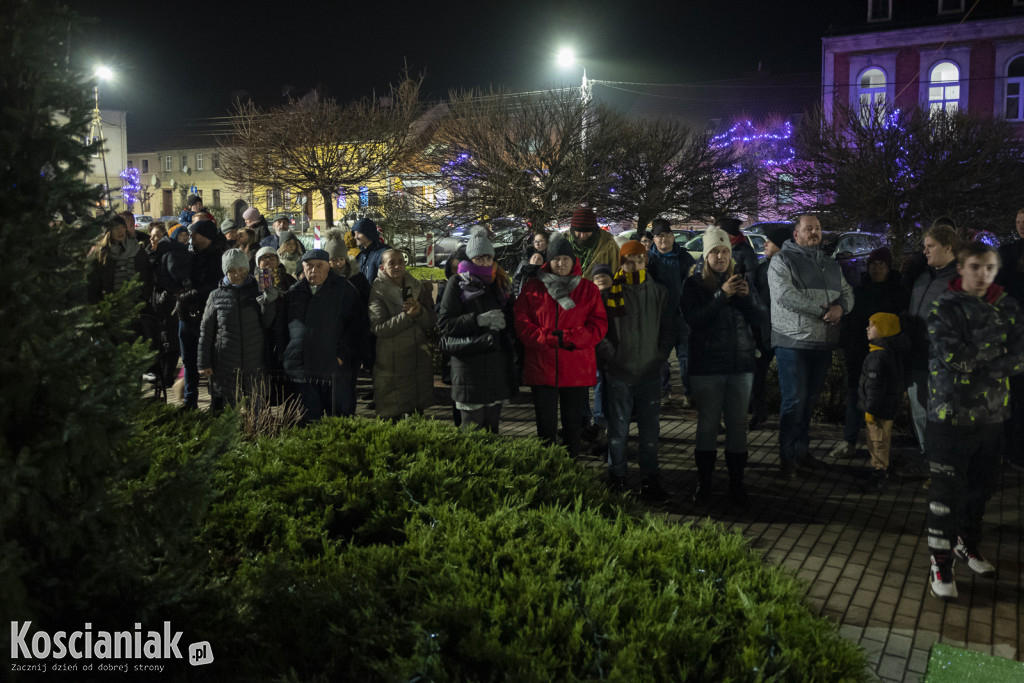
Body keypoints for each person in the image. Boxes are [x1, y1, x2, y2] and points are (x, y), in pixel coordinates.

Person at [924, 242, 1024, 601]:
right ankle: (940, 562)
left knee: (980, 491)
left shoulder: (1008, 306)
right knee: (944, 497)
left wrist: (984, 356)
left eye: (990, 268)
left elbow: (1020, 355)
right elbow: (954, 357)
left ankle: (968, 545)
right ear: (962, 268)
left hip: (992, 417)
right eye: (976, 267)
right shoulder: (944, 308)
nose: (983, 275)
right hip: (950, 418)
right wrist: (997, 353)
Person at [682, 227, 764, 506]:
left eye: (725, 251)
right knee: (707, 426)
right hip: (707, 366)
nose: (720, 256)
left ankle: (736, 484)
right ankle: (704, 484)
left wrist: (746, 297)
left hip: (740, 365)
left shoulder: (742, 280)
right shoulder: (693, 285)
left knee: (738, 426)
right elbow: (695, 319)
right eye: (715, 251)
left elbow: (760, 317)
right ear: (706, 256)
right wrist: (722, 296)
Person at [768, 214, 854, 478]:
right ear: (796, 234)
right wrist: (823, 312)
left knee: (809, 402)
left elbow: (848, 292)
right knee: (794, 401)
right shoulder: (782, 261)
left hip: (822, 342)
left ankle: (801, 452)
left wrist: (841, 307)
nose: (814, 232)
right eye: (808, 229)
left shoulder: (830, 265)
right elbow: (784, 295)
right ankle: (788, 458)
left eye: (817, 228)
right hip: (793, 342)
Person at [514, 232, 608, 456]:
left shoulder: (587, 289)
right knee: (545, 426)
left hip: (575, 368)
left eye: (566, 259)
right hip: (542, 365)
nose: (562, 263)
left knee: (573, 425)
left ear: (573, 260)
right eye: (557, 259)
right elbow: (522, 324)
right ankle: (548, 469)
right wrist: (547, 338)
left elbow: (598, 326)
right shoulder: (533, 288)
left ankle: (571, 468)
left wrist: (568, 338)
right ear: (549, 261)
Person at [597, 241, 675, 501]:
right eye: (628, 261)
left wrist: (660, 355)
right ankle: (617, 478)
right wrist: (612, 357)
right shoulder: (610, 294)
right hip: (619, 373)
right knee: (618, 431)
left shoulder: (659, 292)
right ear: (621, 263)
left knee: (650, 432)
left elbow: (668, 329)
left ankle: (650, 481)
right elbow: (600, 332)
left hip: (650, 373)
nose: (633, 265)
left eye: (638, 260)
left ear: (646, 262)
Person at [830, 247, 909, 459]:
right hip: (858, 354)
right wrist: (847, 344)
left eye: (881, 264)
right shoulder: (859, 290)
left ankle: (881, 449)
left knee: (882, 402)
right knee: (855, 395)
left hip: (885, 357)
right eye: (873, 264)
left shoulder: (898, 292)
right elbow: (850, 322)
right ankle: (850, 440)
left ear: (888, 267)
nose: (877, 269)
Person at [437, 229, 518, 432]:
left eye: (488, 257)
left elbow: (511, 322)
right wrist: (478, 320)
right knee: (471, 429)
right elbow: (445, 324)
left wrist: (505, 323)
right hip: (468, 369)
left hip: (495, 368)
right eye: (479, 258)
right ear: (470, 259)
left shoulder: (498, 284)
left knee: (492, 429)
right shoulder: (457, 283)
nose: (484, 262)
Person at [277, 249, 369, 423]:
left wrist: (341, 356)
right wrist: (285, 355)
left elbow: (357, 327)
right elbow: (281, 329)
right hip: (301, 370)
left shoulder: (344, 291)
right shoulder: (293, 293)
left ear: (329, 267)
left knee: (340, 421)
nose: (314, 270)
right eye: (309, 266)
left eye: (319, 266)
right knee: (307, 423)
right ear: (302, 268)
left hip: (334, 370)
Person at [902, 221, 960, 471]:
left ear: (948, 248)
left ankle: (945, 466)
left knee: (943, 416)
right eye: (924, 246)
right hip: (917, 356)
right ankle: (930, 460)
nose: (924, 251)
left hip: (943, 362)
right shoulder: (923, 277)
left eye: (930, 246)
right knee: (919, 412)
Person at [198, 249, 273, 411]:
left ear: (247, 269)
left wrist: (269, 302)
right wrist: (203, 362)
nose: (237, 274)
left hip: (255, 364)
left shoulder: (258, 291)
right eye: (231, 271)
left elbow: (267, 323)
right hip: (225, 367)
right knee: (228, 420)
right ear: (225, 271)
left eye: (241, 270)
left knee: (256, 417)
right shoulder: (215, 296)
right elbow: (206, 331)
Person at [369, 250, 437, 420]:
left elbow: (430, 322)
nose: (398, 266)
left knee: (417, 418)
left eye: (401, 261)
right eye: (392, 263)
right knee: (392, 421)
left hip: (417, 363)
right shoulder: (377, 291)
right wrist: (407, 317)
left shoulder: (416, 286)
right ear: (383, 267)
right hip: (392, 366)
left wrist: (420, 312)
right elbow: (379, 328)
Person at [176, 219, 228, 409]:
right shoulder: (191, 255)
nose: (191, 237)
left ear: (204, 235)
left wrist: (187, 296)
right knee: (188, 360)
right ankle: (190, 402)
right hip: (186, 315)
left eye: (195, 233)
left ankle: (217, 403)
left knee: (210, 361)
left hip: (205, 316)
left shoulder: (216, 258)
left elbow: (212, 286)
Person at [857, 312, 909, 491]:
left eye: (872, 325)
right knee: (881, 439)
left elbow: (875, 386)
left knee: (877, 440)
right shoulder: (890, 352)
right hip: (887, 406)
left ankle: (879, 474)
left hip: (878, 409)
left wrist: (870, 409)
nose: (867, 328)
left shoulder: (878, 356)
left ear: (884, 331)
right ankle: (880, 468)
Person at [647, 217, 695, 406]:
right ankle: (661, 392)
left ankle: (690, 394)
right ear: (654, 239)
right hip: (660, 318)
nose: (663, 239)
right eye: (659, 236)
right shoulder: (648, 259)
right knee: (660, 358)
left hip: (682, 315)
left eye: (666, 235)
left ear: (673, 237)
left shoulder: (684, 257)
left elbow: (693, 283)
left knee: (686, 357)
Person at [749, 225, 792, 429]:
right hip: (764, 331)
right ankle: (759, 411)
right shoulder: (762, 266)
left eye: (770, 241)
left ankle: (784, 416)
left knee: (787, 378)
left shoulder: (789, 267)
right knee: (757, 374)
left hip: (783, 331)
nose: (764, 243)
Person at [996, 208, 1024, 469]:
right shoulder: (1008, 252)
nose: (1020, 226)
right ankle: (1007, 448)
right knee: (1010, 392)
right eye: (1017, 222)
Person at [86, 214, 152, 305]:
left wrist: (143, 298)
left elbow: (146, 275)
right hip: (107, 306)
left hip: (136, 305)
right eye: (116, 228)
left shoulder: (136, 249)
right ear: (108, 232)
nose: (120, 231)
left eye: (123, 227)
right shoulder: (99, 253)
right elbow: (92, 283)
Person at [564, 206, 619, 280]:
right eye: (579, 232)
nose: (582, 236)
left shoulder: (608, 244)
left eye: (587, 232)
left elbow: (617, 272)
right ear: (573, 231)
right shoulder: (563, 243)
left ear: (594, 231)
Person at [353, 217, 390, 284]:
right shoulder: (360, 256)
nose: (355, 237)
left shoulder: (385, 253)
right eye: (355, 234)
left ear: (368, 233)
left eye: (358, 233)